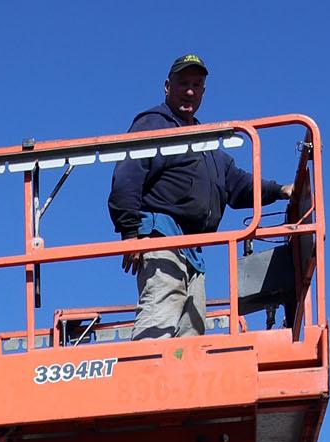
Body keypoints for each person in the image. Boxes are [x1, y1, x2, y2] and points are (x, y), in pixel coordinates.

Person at [109, 55, 293, 340]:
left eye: (197, 85)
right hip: (162, 238)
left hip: (193, 250)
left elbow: (238, 184)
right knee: (160, 316)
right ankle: (145, 376)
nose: (190, 91)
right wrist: (130, 232)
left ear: (204, 92)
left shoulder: (206, 143)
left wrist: (280, 190)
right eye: (184, 84)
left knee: (192, 332)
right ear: (167, 87)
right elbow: (129, 174)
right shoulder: (155, 124)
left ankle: (178, 383)